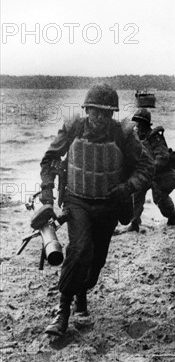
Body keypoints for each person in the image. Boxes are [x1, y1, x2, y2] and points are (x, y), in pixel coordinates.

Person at [39, 84, 153, 336]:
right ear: (86, 110)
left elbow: (146, 168)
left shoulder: (123, 134)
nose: (99, 118)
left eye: (106, 113)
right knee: (79, 249)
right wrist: (47, 198)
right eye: (95, 112)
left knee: (95, 264)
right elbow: (49, 160)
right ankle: (63, 312)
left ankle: (82, 291)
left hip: (108, 205)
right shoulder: (73, 128)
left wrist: (127, 188)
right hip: (77, 201)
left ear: (112, 114)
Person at [118, 108, 175, 233]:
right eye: (136, 123)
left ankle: (172, 215)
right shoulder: (136, 139)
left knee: (160, 199)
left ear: (145, 125)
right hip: (145, 174)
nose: (137, 126)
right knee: (137, 193)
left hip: (158, 174)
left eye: (139, 123)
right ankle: (135, 223)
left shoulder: (154, 137)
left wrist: (150, 168)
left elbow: (163, 157)